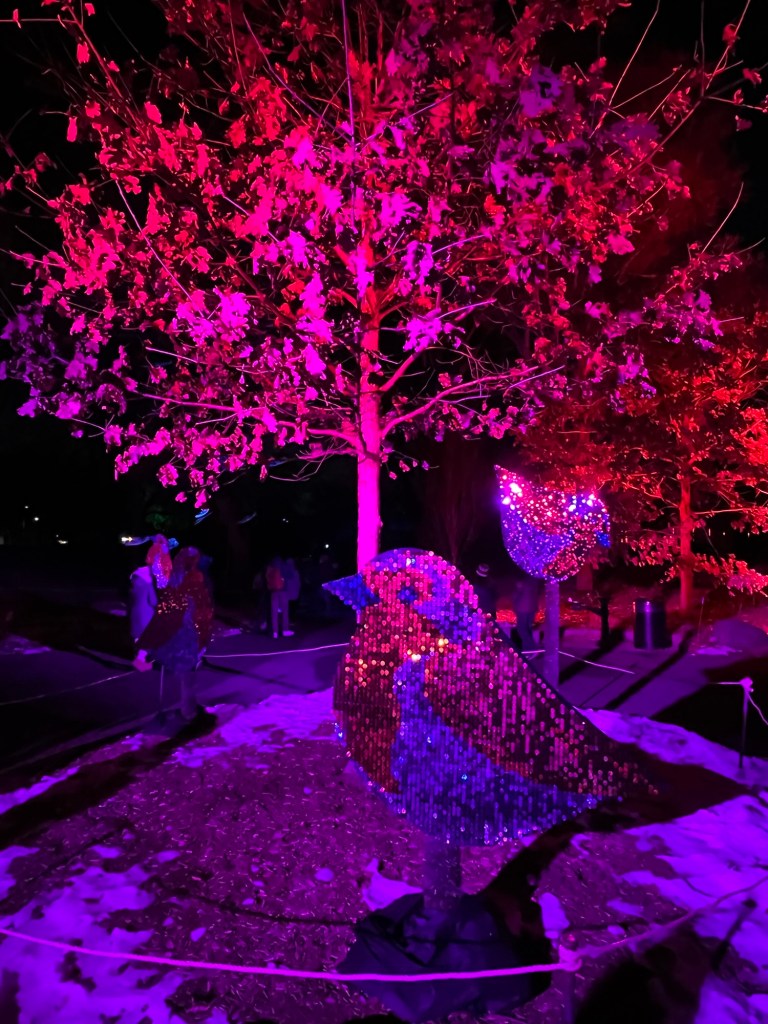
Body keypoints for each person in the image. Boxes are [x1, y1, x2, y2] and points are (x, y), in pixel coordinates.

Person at [136, 547, 213, 721]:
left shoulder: (177, 582)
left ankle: (188, 707)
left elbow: (166, 614)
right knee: (188, 676)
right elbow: (200, 613)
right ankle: (188, 712)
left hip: (181, 636)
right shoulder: (192, 582)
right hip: (187, 636)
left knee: (186, 675)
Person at [129, 561, 157, 658]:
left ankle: (137, 654)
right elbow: (153, 601)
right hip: (146, 614)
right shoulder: (148, 585)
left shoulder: (133, 584)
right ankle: (142, 658)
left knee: (137, 635)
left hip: (134, 613)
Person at [512, 573, 543, 654]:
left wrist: (515, 603)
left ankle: (532, 647)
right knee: (527, 628)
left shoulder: (522, 582)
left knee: (521, 628)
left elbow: (517, 595)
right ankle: (528, 648)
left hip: (523, 607)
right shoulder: (535, 580)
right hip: (532, 607)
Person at [266, 555, 294, 639]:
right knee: (285, 611)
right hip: (283, 591)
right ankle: (285, 630)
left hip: (273, 592)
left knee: (274, 612)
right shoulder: (283, 566)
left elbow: (267, 579)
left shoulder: (270, 567)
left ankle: (275, 632)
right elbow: (291, 576)